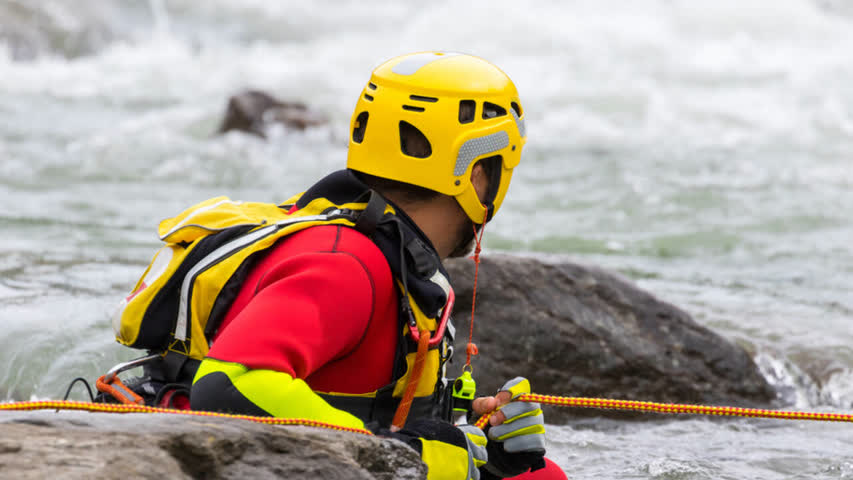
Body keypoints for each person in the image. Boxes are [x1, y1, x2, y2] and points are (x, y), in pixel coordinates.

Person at [190, 52, 566, 480]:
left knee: (537, 475)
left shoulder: (391, 256)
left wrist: (483, 441)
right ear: (478, 174)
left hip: (313, 453)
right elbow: (225, 386)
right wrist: (402, 456)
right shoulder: (347, 265)